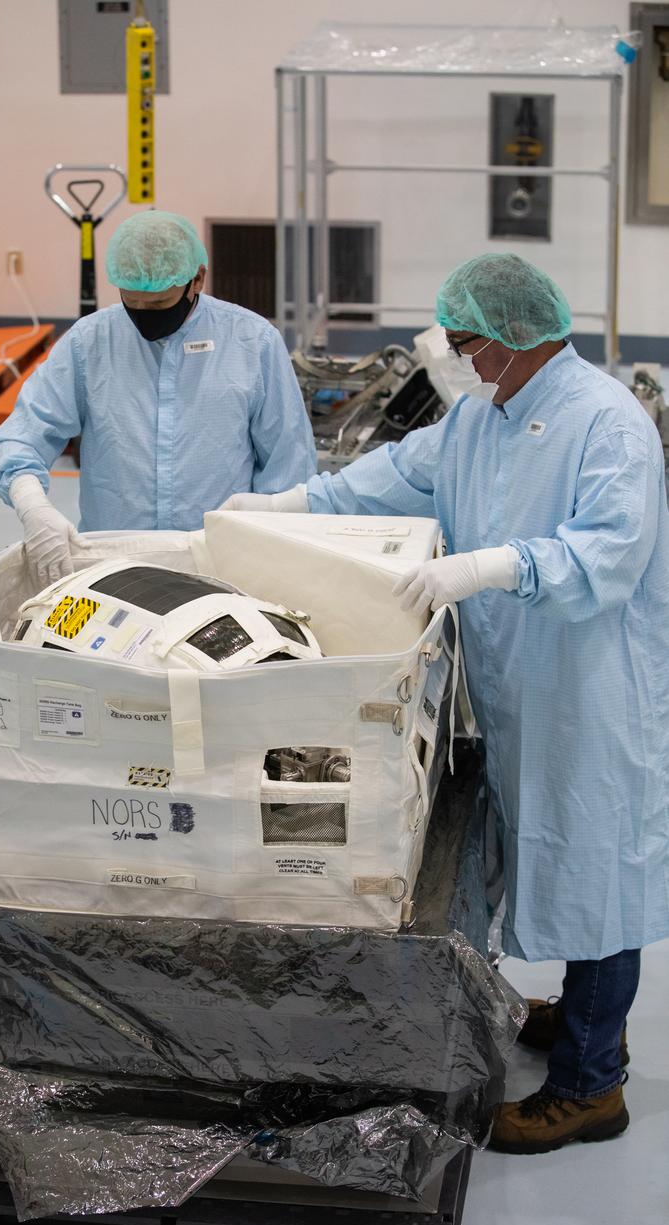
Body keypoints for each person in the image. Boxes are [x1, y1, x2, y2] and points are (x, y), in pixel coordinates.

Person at [221, 253, 669, 1154]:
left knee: (595, 868)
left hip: (590, 691)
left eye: (469, 344)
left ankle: (592, 1087)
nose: (461, 360)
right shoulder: (478, 417)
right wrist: (280, 504)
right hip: (516, 684)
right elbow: (387, 476)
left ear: (516, 336)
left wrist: (489, 564)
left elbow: (608, 555)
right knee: (540, 848)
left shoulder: (608, 424)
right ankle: (588, 1018)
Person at [0, 210, 315, 586]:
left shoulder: (253, 343)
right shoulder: (89, 343)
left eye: (159, 305)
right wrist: (33, 507)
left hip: (222, 563)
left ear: (197, 280)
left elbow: (289, 468)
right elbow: (18, 439)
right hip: (112, 564)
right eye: (132, 303)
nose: (144, 317)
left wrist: (274, 557)